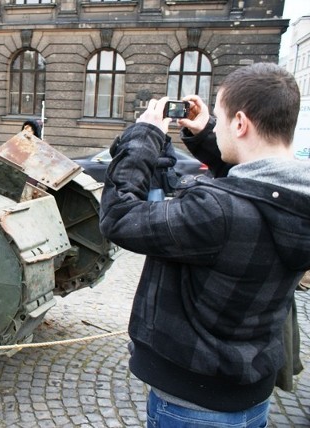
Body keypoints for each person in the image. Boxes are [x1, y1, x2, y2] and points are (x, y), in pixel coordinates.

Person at [99, 62, 310, 427]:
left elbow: (119, 216)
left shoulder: (215, 212)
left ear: (241, 124)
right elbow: (256, 189)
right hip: (251, 395)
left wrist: (144, 136)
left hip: (192, 405)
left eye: (224, 118)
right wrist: (208, 133)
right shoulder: (296, 197)